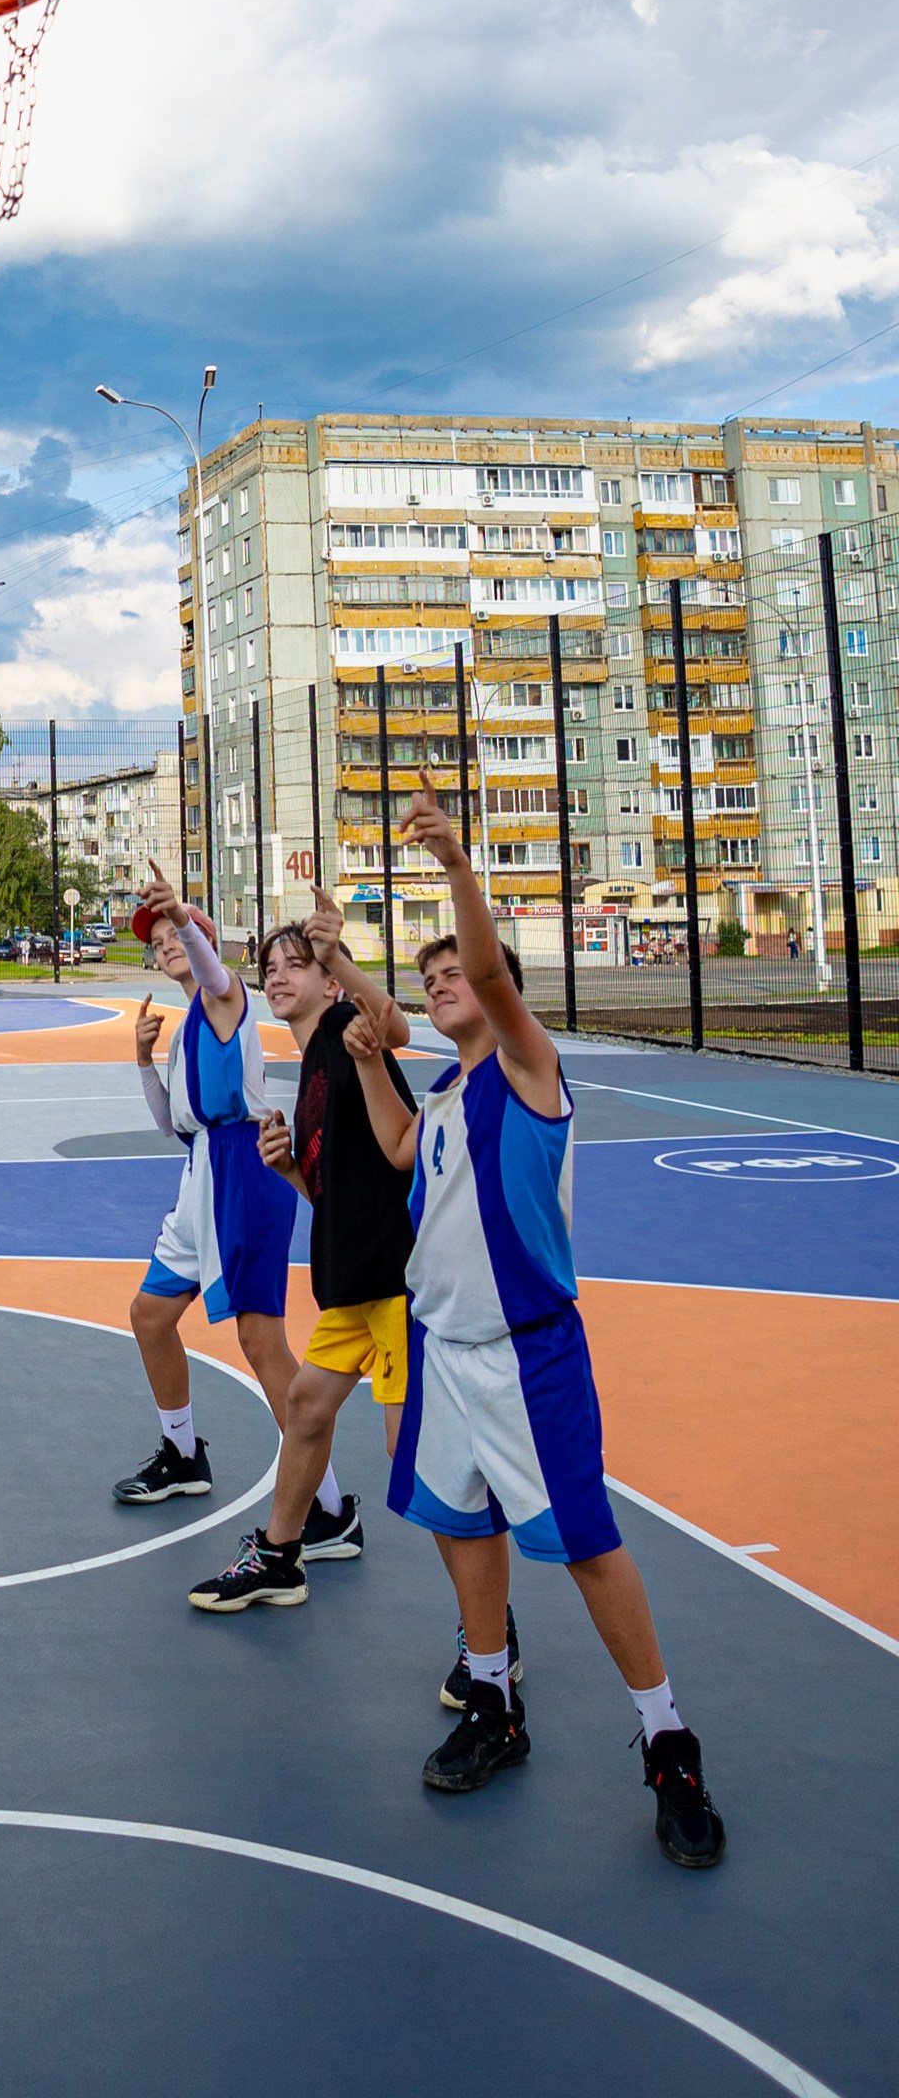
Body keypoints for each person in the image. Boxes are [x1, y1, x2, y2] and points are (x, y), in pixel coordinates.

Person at [346, 784, 725, 1866]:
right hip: (443, 1351)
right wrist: (372, 1054)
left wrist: (461, 872)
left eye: (453, 971)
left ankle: (668, 1744)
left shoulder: (527, 1070)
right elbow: (397, 1153)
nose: (442, 983)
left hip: (530, 1357)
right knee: (463, 1527)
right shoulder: (451, 1101)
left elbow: (497, 975)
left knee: (588, 1549)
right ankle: (496, 1703)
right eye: (427, 980)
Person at [186, 898, 415, 1609]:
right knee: (307, 1406)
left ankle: (490, 1632)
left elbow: (397, 1026)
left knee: (413, 1457)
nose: (278, 977)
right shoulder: (312, 1070)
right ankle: (281, 1557)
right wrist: (289, 1168)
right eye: (270, 968)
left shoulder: (348, 1029)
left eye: (297, 965)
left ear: (331, 984)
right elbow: (335, 1194)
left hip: (400, 1279)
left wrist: (337, 949)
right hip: (353, 1279)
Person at [113, 871, 297, 1503]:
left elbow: (211, 970)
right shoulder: (189, 1022)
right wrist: (142, 1060)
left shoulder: (225, 998)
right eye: (156, 937)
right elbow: (171, 1125)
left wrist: (187, 923)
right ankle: (184, 1453)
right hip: (201, 1171)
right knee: (149, 1316)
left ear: (204, 943)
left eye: (174, 933)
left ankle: (327, 1504)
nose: (164, 942)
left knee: (260, 1340)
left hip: (241, 1170)